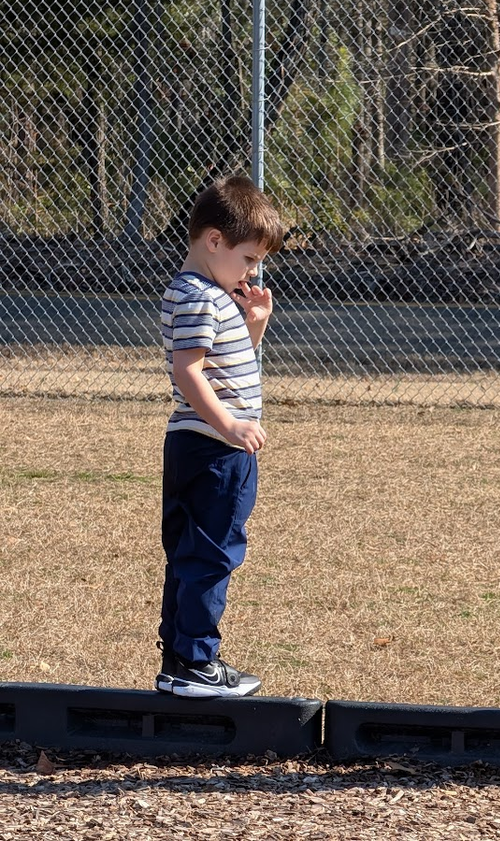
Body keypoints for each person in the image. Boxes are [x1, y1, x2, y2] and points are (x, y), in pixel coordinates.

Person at [156, 175, 285, 698]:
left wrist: (254, 325)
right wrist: (227, 425)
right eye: (249, 258)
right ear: (213, 241)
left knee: (191, 551)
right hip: (213, 451)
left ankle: (180, 659)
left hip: (199, 447)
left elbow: (225, 368)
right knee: (213, 552)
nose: (253, 270)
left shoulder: (210, 295)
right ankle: (195, 662)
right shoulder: (198, 298)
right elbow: (189, 372)